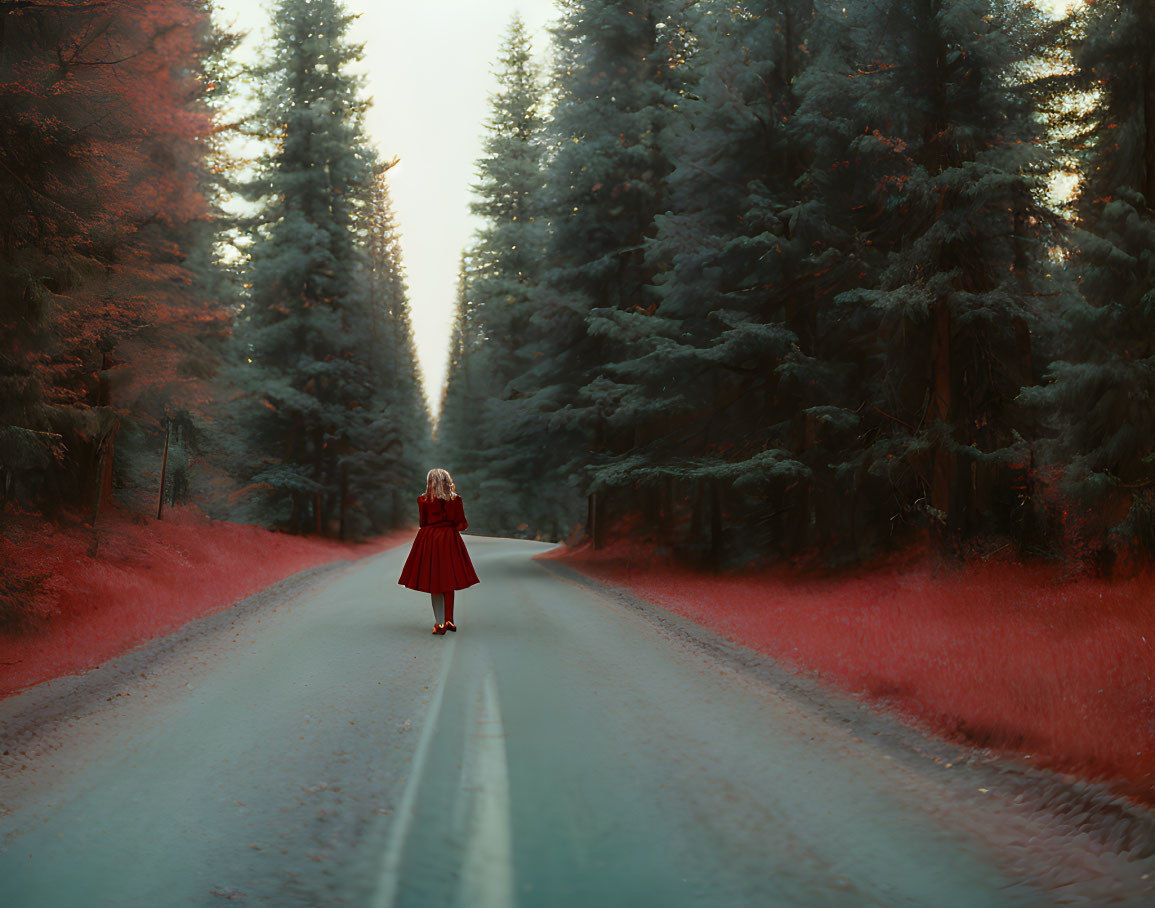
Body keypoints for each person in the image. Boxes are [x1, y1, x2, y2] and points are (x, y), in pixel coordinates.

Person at [397, 468, 479, 634]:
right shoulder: (456, 500)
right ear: (446, 481)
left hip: (429, 539)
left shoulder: (423, 500)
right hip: (449, 539)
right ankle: (450, 621)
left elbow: (423, 522)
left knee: (434, 578)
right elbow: (461, 523)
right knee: (449, 578)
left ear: (430, 482)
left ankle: (439, 623)